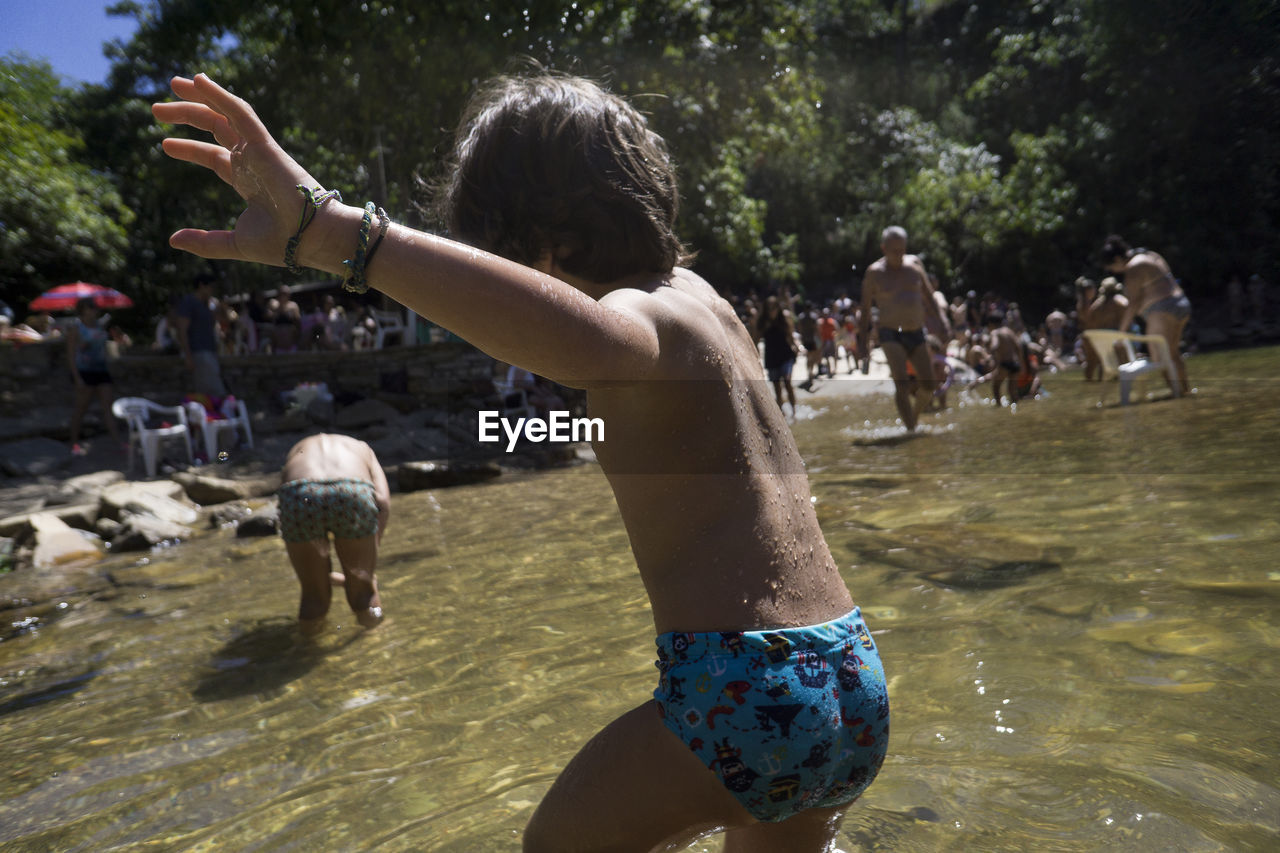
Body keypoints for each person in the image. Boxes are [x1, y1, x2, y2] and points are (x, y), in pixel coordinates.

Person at [155, 71, 888, 850]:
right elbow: (679, 451)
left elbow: (586, 342)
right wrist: (512, 441)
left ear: (554, 245)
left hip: (746, 686)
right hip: (851, 674)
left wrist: (340, 236)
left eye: (503, 263)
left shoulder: (632, 319)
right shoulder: (711, 308)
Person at [278, 433, 390, 634]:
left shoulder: (297, 448)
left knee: (313, 597)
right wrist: (369, 562)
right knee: (364, 594)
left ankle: (304, 650)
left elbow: (286, 496)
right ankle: (376, 643)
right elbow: (382, 500)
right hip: (351, 489)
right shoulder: (362, 446)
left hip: (300, 492)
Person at [860, 226, 947, 431]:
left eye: (902, 250)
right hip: (890, 333)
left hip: (916, 332)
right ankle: (911, 430)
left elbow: (929, 295)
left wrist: (943, 320)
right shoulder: (874, 273)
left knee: (929, 386)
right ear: (884, 248)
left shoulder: (915, 265)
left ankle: (913, 417)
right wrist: (863, 342)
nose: (899, 255)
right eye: (894, 251)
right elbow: (864, 310)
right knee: (902, 384)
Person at [1104, 235, 1191, 393]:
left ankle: (1176, 396)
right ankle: (1186, 392)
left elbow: (1133, 303)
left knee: (1161, 358)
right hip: (1181, 304)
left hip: (1162, 310)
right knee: (1172, 353)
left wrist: (1121, 332)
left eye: (1111, 267)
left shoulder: (1133, 267)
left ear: (1117, 259)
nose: (1112, 271)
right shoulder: (1151, 255)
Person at [66, 297, 122, 454]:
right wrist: (77, 378)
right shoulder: (75, 328)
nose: (94, 309)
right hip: (84, 372)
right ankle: (74, 444)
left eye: (95, 307)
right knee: (81, 409)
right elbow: (70, 356)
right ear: (82, 309)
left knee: (108, 408)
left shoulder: (101, 326)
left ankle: (118, 442)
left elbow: (108, 347)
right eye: (90, 307)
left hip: (101, 370)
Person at [175, 271, 228, 396]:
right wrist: (188, 356)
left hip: (210, 351)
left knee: (210, 393)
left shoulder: (208, 305)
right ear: (201, 285)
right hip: (198, 352)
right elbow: (182, 330)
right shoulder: (188, 302)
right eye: (211, 287)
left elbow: (223, 320)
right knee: (214, 393)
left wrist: (222, 306)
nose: (212, 290)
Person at [757, 295, 800, 417]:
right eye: (769, 308)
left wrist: (796, 347)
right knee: (777, 387)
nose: (772, 311)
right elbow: (755, 339)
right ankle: (781, 413)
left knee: (787, 382)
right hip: (771, 356)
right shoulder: (763, 322)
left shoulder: (784, 319)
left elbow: (790, 336)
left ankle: (794, 411)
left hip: (786, 354)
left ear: (778, 308)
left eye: (774, 308)